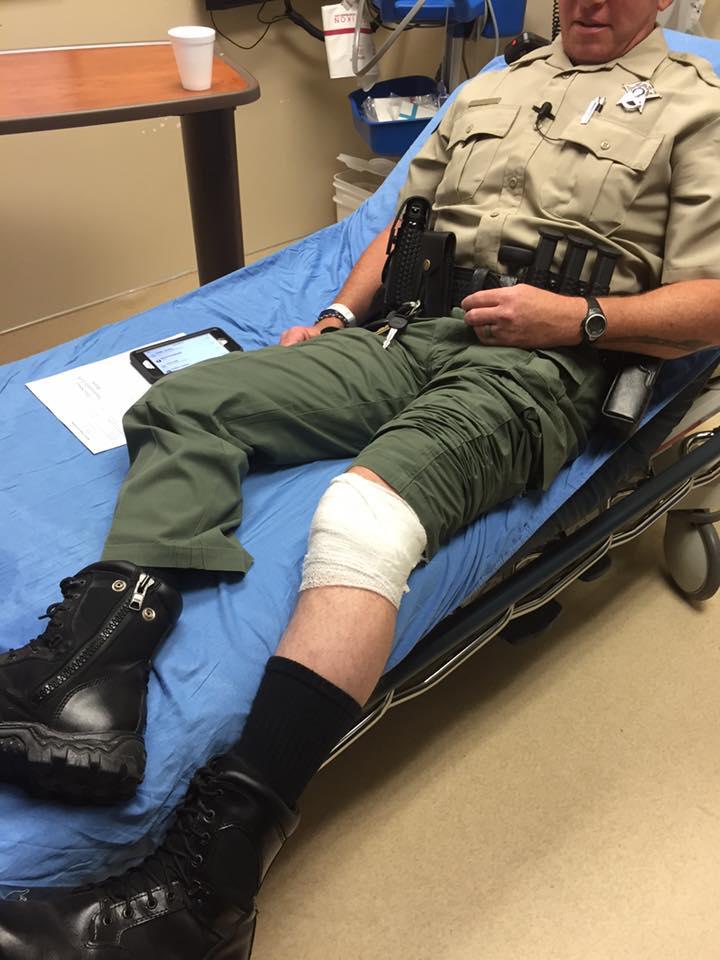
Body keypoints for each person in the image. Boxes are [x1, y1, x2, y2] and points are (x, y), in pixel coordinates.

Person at [2, 0, 720, 956]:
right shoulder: (494, 86)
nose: (587, 1)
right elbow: (408, 226)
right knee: (188, 403)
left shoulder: (698, 105)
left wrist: (577, 321)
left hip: (550, 362)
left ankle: (207, 893)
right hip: (414, 330)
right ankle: (94, 683)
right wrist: (341, 314)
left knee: (365, 517)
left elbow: (710, 301)